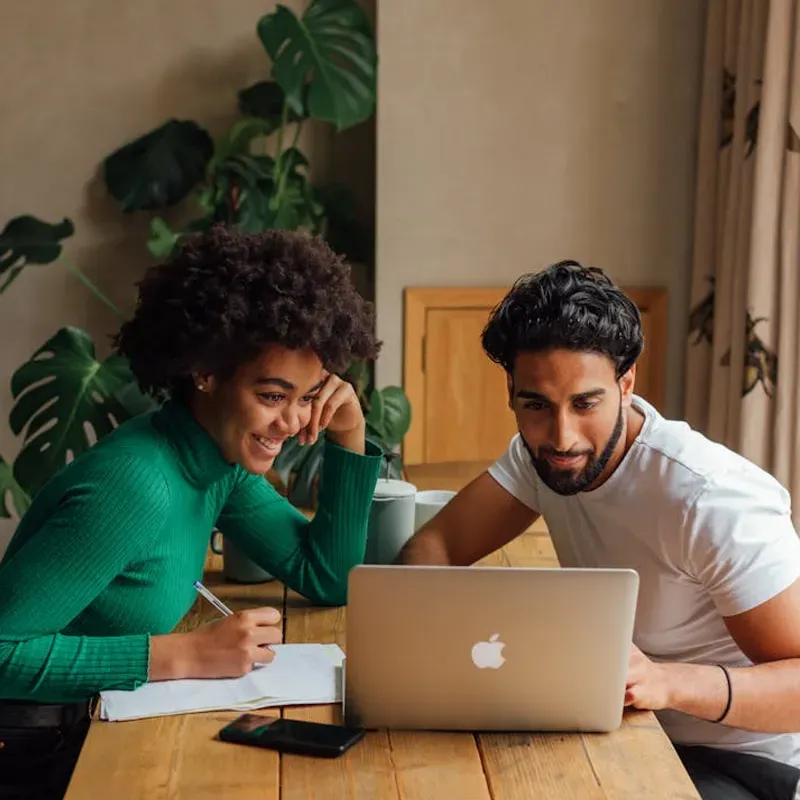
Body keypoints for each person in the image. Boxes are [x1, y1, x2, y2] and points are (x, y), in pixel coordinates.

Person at [0, 225, 384, 799]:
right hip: (39, 757)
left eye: (307, 398)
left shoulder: (215, 463)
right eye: (273, 396)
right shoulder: (134, 486)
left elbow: (327, 575)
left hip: (101, 729)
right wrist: (182, 654)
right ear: (205, 371)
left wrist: (350, 432)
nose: (295, 424)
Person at [398, 261, 800, 800]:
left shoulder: (709, 497)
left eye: (586, 404)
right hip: (613, 729)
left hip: (738, 763)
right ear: (511, 392)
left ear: (626, 384)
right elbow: (436, 545)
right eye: (535, 405)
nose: (562, 437)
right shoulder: (535, 454)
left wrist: (669, 680)